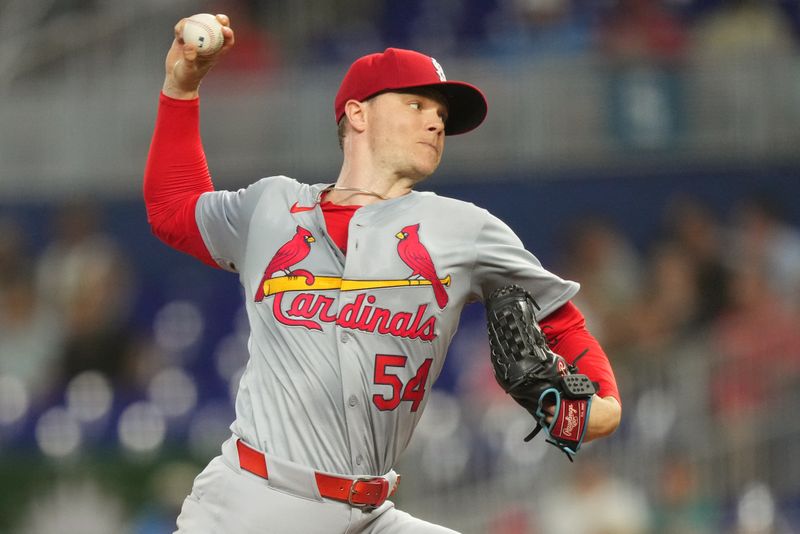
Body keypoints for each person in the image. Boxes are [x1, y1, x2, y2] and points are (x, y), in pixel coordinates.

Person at [144, 14, 622, 534]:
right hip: (254, 504)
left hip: (370, 514)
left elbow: (562, 322)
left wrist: (603, 409)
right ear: (357, 114)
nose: (435, 123)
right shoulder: (272, 207)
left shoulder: (465, 230)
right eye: (416, 105)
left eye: (440, 114)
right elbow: (173, 207)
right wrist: (182, 87)